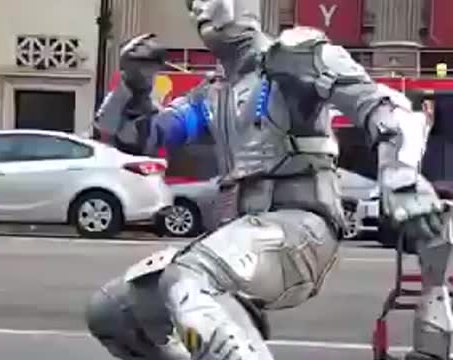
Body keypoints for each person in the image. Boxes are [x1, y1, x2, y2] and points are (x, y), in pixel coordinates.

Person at [86, 1, 452, 360]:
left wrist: (399, 173)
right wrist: (133, 86)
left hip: (301, 227)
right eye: (191, 3)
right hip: (237, 234)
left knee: (191, 277)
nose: (198, 9)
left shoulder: (294, 58)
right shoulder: (211, 94)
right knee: (113, 311)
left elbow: (385, 106)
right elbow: (141, 137)